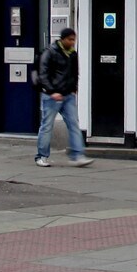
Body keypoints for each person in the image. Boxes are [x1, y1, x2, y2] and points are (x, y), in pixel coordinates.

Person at [35, 27, 91, 167]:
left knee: (74, 125)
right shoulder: (50, 52)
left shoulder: (73, 54)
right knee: (47, 126)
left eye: (74, 39)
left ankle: (78, 155)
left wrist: (74, 90)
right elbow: (43, 74)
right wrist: (52, 91)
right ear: (63, 39)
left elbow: (75, 73)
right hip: (51, 96)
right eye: (70, 39)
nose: (73, 42)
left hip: (67, 96)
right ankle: (41, 156)